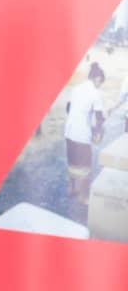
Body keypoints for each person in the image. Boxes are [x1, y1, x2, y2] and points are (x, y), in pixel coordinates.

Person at [63, 61, 106, 203]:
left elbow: (68, 108)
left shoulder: (76, 88)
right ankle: (83, 196)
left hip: (69, 131)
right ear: (97, 79)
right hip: (82, 134)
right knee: (85, 166)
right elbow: (99, 119)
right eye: (100, 83)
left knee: (73, 161)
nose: (100, 86)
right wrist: (97, 133)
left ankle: (71, 189)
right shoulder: (96, 93)